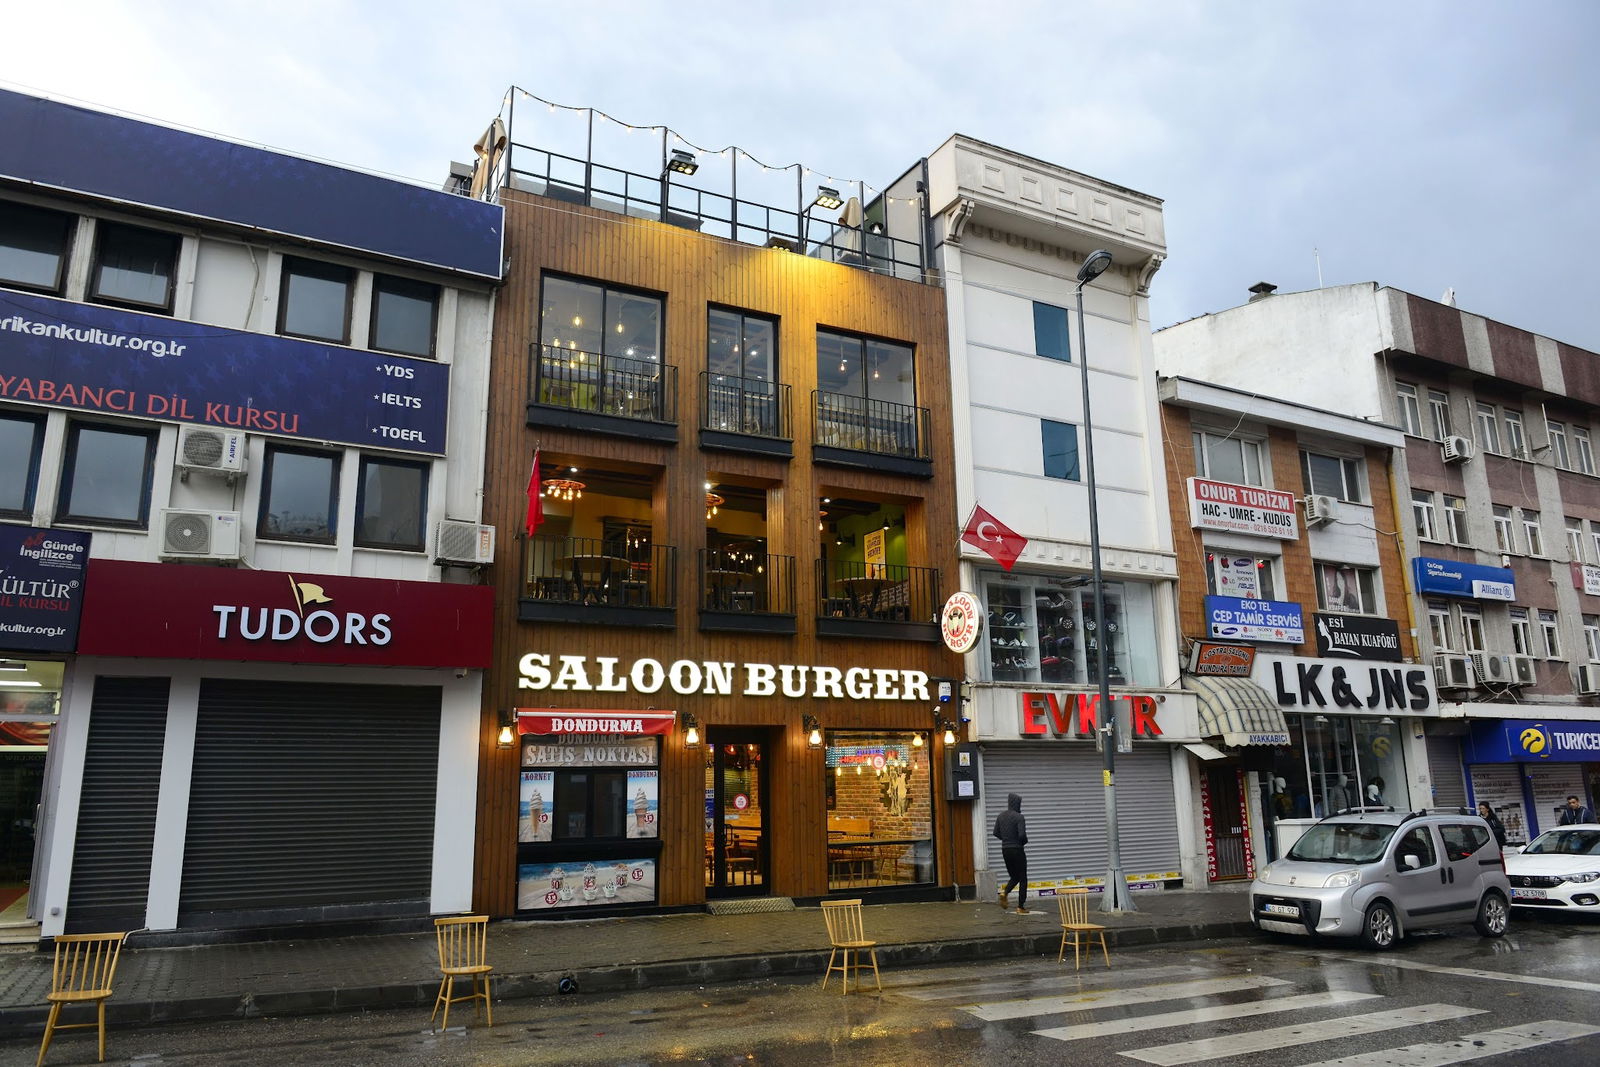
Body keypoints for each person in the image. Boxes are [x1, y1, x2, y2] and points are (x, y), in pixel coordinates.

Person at [994, 792, 1030, 914]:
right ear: (1017, 803)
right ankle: (1021, 906)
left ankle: (1005, 893)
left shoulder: (1001, 816)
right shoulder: (1019, 817)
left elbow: (996, 833)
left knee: (1014, 877)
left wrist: (1006, 839)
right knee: (1023, 878)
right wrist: (1023, 842)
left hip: (1005, 850)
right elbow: (1022, 835)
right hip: (1017, 849)